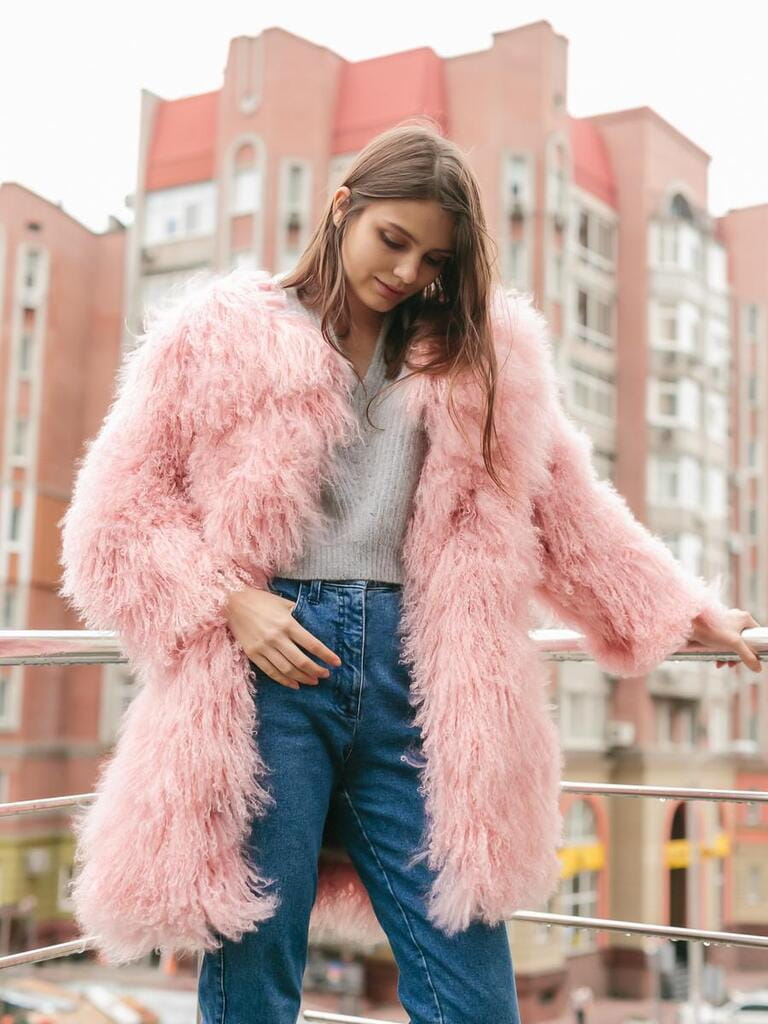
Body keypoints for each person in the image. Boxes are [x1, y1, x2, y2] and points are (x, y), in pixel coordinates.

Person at [57, 118, 762, 1024]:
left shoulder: (481, 360)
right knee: (253, 973)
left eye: (433, 259)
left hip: (420, 683)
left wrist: (690, 612)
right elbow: (113, 515)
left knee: (472, 990)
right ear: (342, 206)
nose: (406, 271)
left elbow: (568, 508)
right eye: (392, 239)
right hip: (266, 678)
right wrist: (231, 602)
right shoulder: (217, 335)